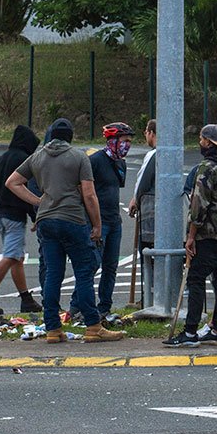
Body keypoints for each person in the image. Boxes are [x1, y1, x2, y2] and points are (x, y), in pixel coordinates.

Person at [5, 118, 123, 343]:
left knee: (53, 273)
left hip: (46, 222)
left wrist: (39, 201)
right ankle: (93, 326)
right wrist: (97, 225)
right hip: (72, 220)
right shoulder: (79, 157)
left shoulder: (37, 157)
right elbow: (89, 195)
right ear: (71, 136)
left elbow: (13, 182)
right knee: (84, 272)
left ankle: (52, 328)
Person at [165, 124, 217, 348]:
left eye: (201, 139)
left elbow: (199, 203)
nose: (200, 143)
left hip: (209, 233)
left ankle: (190, 331)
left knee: (196, 278)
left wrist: (191, 235)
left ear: (208, 142)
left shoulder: (206, 167)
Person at [0, 124, 42, 315]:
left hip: (1, 216)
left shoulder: (1, 159)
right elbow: (26, 192)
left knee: (17, 258)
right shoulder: (24, 161)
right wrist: (35, 216)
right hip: (15, 216)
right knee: (12, 256)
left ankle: (26, 299)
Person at [89, 122, 133, 324]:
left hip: (115, 221)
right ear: (112, 141)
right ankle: (79, 306)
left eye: (129, 141)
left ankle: (104, 307)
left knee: (111, 266)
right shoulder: (95, 161)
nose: (127, 145)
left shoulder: (120, 164)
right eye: (124, 141)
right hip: (99, 221)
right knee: (91, 264)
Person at [128, 118, 156, 306]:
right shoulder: (170, 154)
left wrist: (135, 200)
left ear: (151, 133)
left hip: (150, 213)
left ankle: (148, 297)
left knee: (147, 254)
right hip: (162, 214)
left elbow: (143, 182)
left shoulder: (152, 155)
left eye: (146, 131)